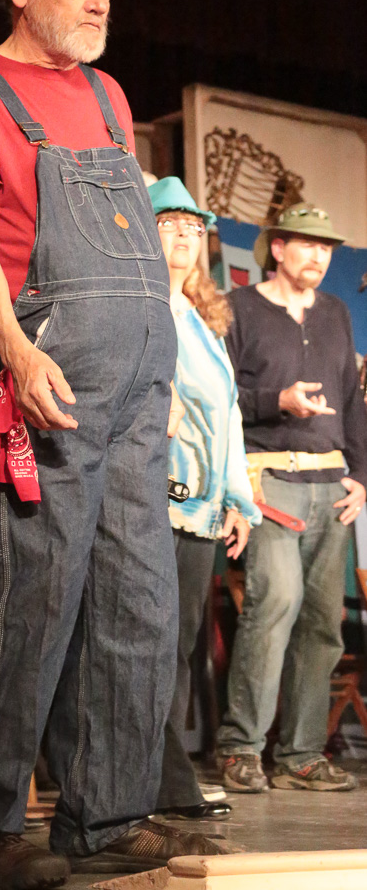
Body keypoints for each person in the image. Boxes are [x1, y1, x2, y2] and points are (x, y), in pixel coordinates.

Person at [0, 0, 229, 888]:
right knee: (22, 597)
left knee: (135, 598)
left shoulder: (105, 94)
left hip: (132, 385)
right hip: (38, 370)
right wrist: (11, 351)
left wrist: (158, 372)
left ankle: (110, 812)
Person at [216, 203, 367, 793]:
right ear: (277, 248)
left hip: (331, 486)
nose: (319, 257)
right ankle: (240, 748)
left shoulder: (335, 313)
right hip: (270, 477)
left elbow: (352, 401)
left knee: (323, 624)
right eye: (308, 244)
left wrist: (362, 474)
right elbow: (220, 396)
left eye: (326, 248)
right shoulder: (240, 308)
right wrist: (275, 401)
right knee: (274, 604)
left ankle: (302, 754)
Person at [147, 178, 261, 820]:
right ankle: (154, 780)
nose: (186, 236)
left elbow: (230, 418)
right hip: (152, 500)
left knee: (180, 642)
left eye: (195, 227)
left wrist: (238, 499)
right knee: (151, 641)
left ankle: (168, 777)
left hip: (199, 510)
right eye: (171, 224)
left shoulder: (201, 321)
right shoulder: (142, 310)